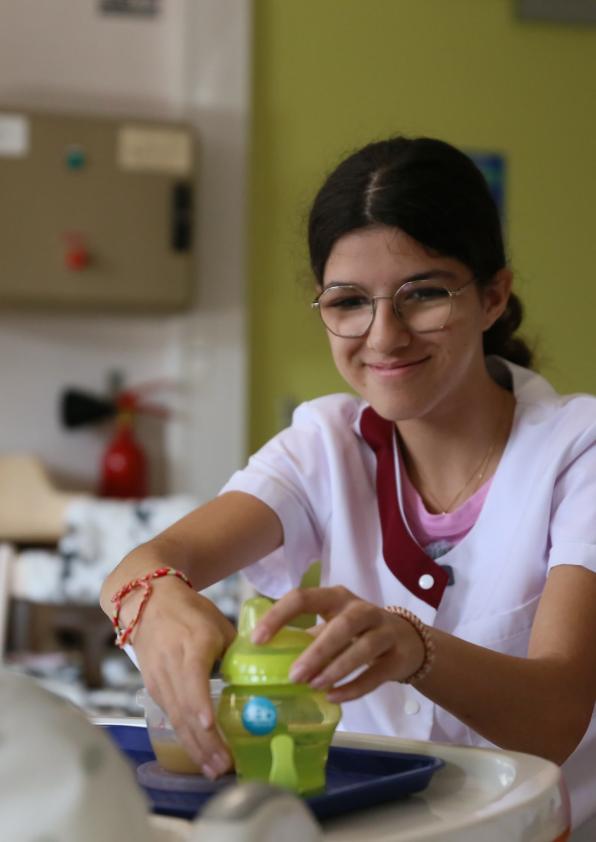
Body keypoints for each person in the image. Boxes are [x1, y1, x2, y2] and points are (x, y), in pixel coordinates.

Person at [100, 136, 596, 830]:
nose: (384, 335)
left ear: (492, 297)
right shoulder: (324, 445)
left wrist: (415, 649)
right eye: (348, 302)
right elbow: (139, 567)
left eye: (423, 294)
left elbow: (554, 719)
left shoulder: (579, 452)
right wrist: (154, 602)